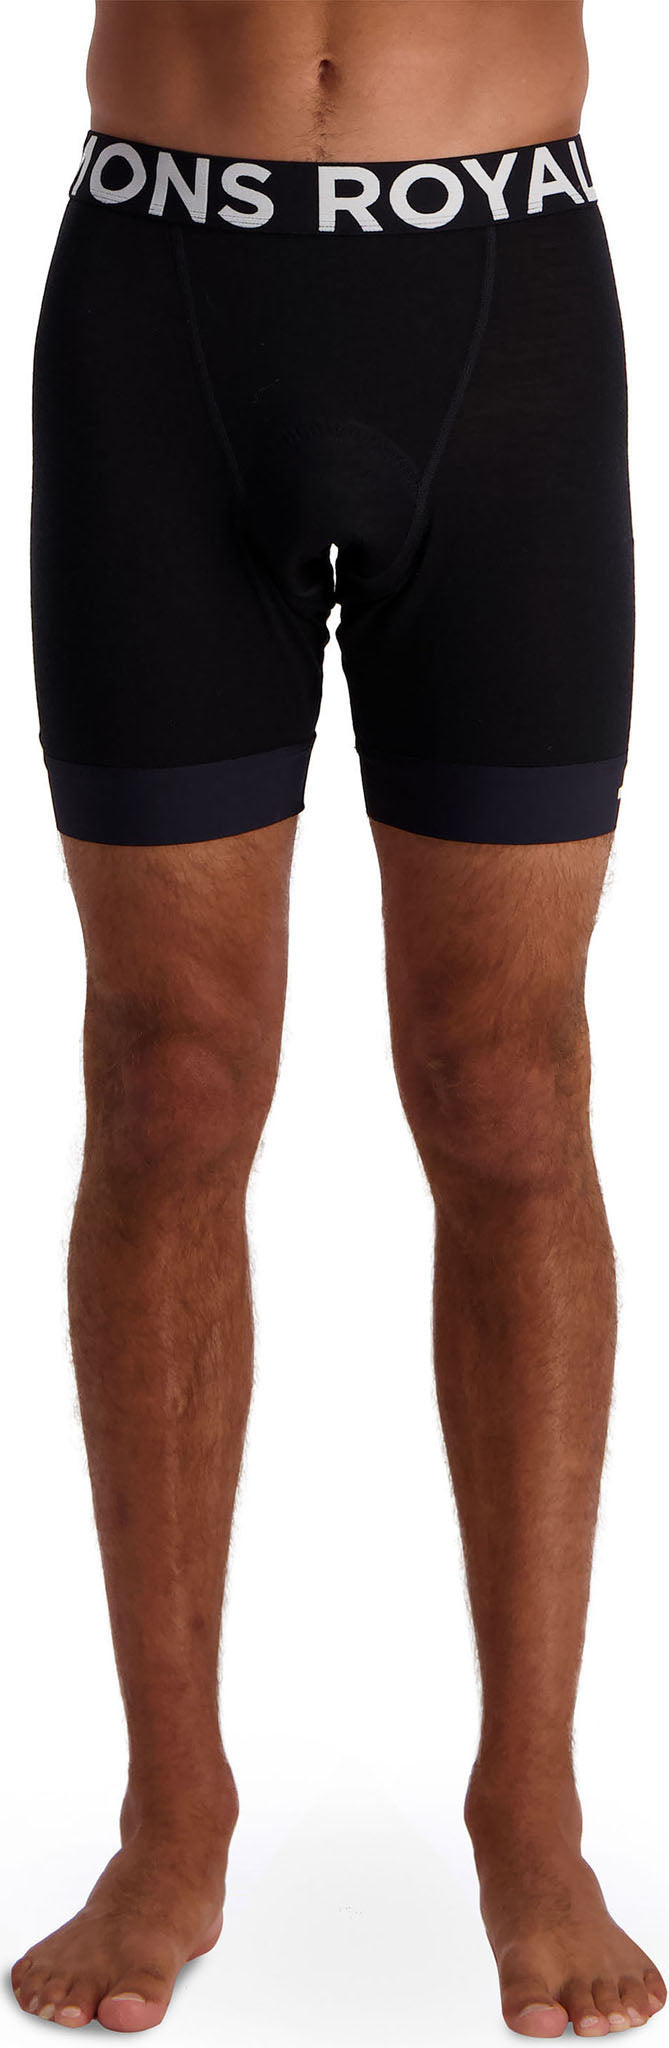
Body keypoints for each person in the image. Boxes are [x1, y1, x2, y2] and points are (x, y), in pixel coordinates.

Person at [13, 0, 666, 2036]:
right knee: (168, 1077)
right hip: (163, 284)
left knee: (506, 1086)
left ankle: (530, 1807)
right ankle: (171, 1807)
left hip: (496, 284)